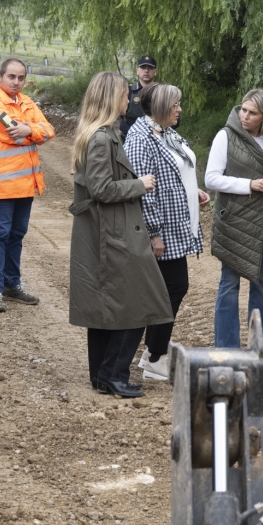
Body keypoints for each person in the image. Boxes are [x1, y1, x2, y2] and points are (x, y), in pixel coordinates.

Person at [69, 72, 173, 399]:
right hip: (114, 231)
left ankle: (101, 375)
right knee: (137, 303)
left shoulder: (100, 134)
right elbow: (101, 189)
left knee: (107, 307)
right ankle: (114, 374)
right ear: (112, 98)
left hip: (108, 229)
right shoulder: (102, 138)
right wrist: (140, 184)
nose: (130, 99)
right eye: (125, 95)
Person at [124, 84, 209, 380]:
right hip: (161, 229)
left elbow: (176, 168)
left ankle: (154, 352)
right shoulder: (140, 139)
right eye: (175, 104)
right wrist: (153, 232)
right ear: (160, 106)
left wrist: (191, 189)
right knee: (172, 287)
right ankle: (155, 356)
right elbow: (143, 190)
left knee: (172, 287)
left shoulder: (165, 131)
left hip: (175, 226)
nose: (180, 109)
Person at [0, 58, 56, 312]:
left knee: (16, 236)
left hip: (25, 184)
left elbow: (49, 130)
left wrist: (28, 130)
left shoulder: (26, 101)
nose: (16, 82)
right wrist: (30, 131)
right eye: (12, 77)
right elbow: (11, 132)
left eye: (21, 78)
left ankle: (11, 284)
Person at [207, 88, 263, 349]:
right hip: (235, 221)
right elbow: (211, 178)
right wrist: (250, 184)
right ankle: (226, 348)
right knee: (229, 285)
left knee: (261, 284)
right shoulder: (226, 136)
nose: (245, 116)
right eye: (243, 110)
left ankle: (262, 347)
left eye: (252, 113)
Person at [118, 55, 158, 137]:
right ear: (137, 71)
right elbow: (117, 117)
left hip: (157, 140)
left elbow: (175, 118)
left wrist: (160, 133)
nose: (146, 71)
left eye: (150, 68)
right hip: (131, 140)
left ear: (155, 72)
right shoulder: (128, 91)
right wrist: (130, 132)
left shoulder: (162, 92)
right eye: (143, 67)